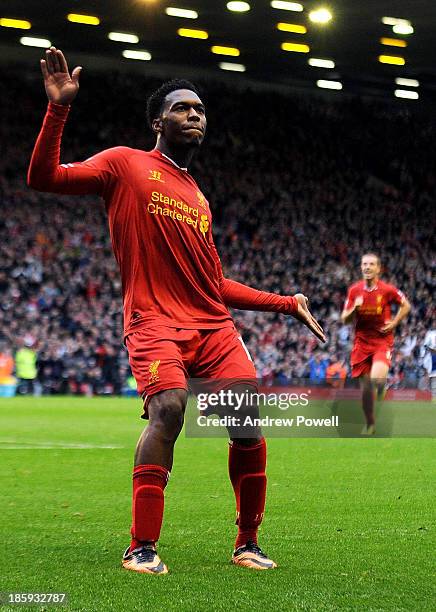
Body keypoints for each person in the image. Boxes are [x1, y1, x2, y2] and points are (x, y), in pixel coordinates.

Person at [28, 46, 325, 574]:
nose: (196, 115)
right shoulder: (124, 164)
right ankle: (141, 546)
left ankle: (248, 542)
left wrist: (285, 303)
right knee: (170, 409)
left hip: (211, 325)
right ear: (157, 120)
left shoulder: (198, 198)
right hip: (153, 320)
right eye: (184, 108)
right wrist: (58, 109)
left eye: (201, 110)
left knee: (246, 422)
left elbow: (212, 283)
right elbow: (44, 178)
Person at [341, 253, 411, 434]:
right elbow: (344, 320)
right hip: (361, 344)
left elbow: (406, 306)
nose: (367, 267)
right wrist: (353, 310)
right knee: (365, 391)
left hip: (381, 341)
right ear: (361, 267)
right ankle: (370, 423)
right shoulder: (354, 290)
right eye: (364, 264)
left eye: (371, 264)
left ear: (378, 268)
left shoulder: (387, 290)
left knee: (377, 378)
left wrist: (394, 323)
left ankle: (382, 386)